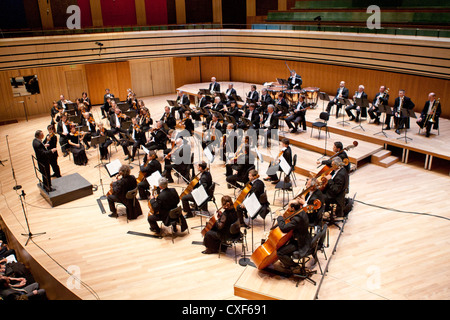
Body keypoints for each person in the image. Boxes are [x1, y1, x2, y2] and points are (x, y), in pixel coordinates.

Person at [276, 199, 311, 273]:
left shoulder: (297, 219)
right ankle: (287, 263)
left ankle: (294, 266)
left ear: (293, 208)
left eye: (289, 207)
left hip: (300, 243)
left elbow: (284, 228)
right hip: (306, 238)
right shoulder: (302, 212)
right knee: (285, 246)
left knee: (280, 252)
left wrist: (280, 217)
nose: (288, 208)